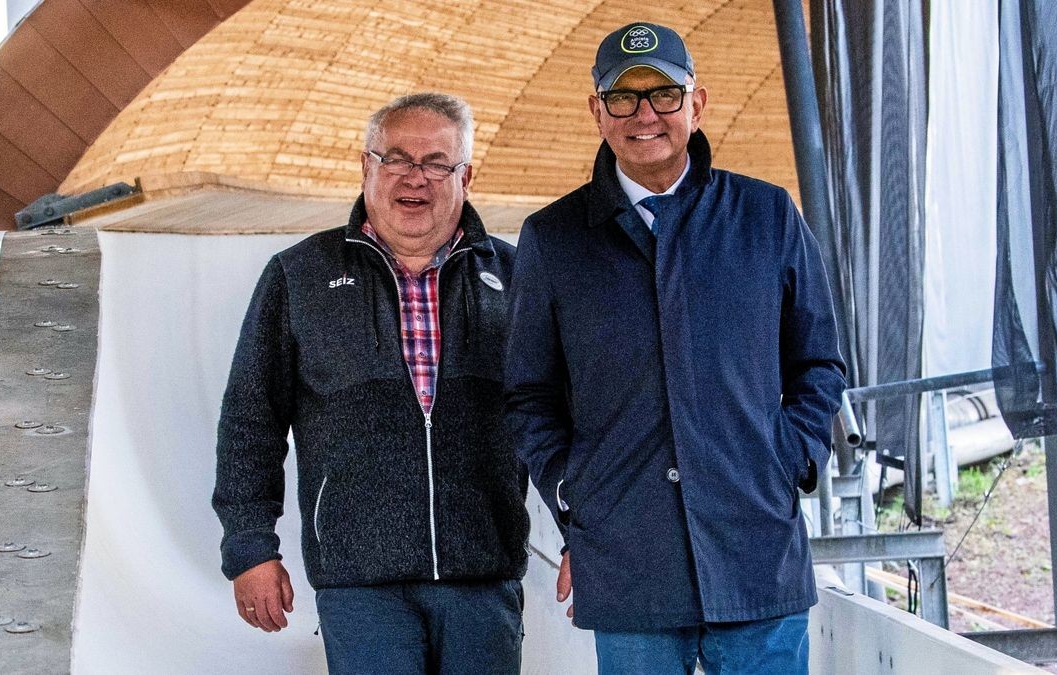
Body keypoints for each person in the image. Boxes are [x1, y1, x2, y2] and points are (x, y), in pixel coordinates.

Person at [504, 22, 847, 674]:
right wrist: (574, 494)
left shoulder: (767, 215)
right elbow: (529, 393)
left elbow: (819, 362)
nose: (644, 115)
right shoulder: (553, 240)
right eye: (623, 97)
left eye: (663, 93)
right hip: (628, 564)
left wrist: (787, 456)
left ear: (698, 101)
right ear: (596, 111)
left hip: (756, 553)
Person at [213, 92, 528, 675]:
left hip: (484, 575)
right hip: (359, 582)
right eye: (397, 159)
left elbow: (556, 418)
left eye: (437, 163)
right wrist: (250, 546)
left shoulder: (518, 277)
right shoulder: (298, 275)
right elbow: (250, 423)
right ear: (366, 166)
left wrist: (584, 541)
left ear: (467, 176)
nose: (416, 178)